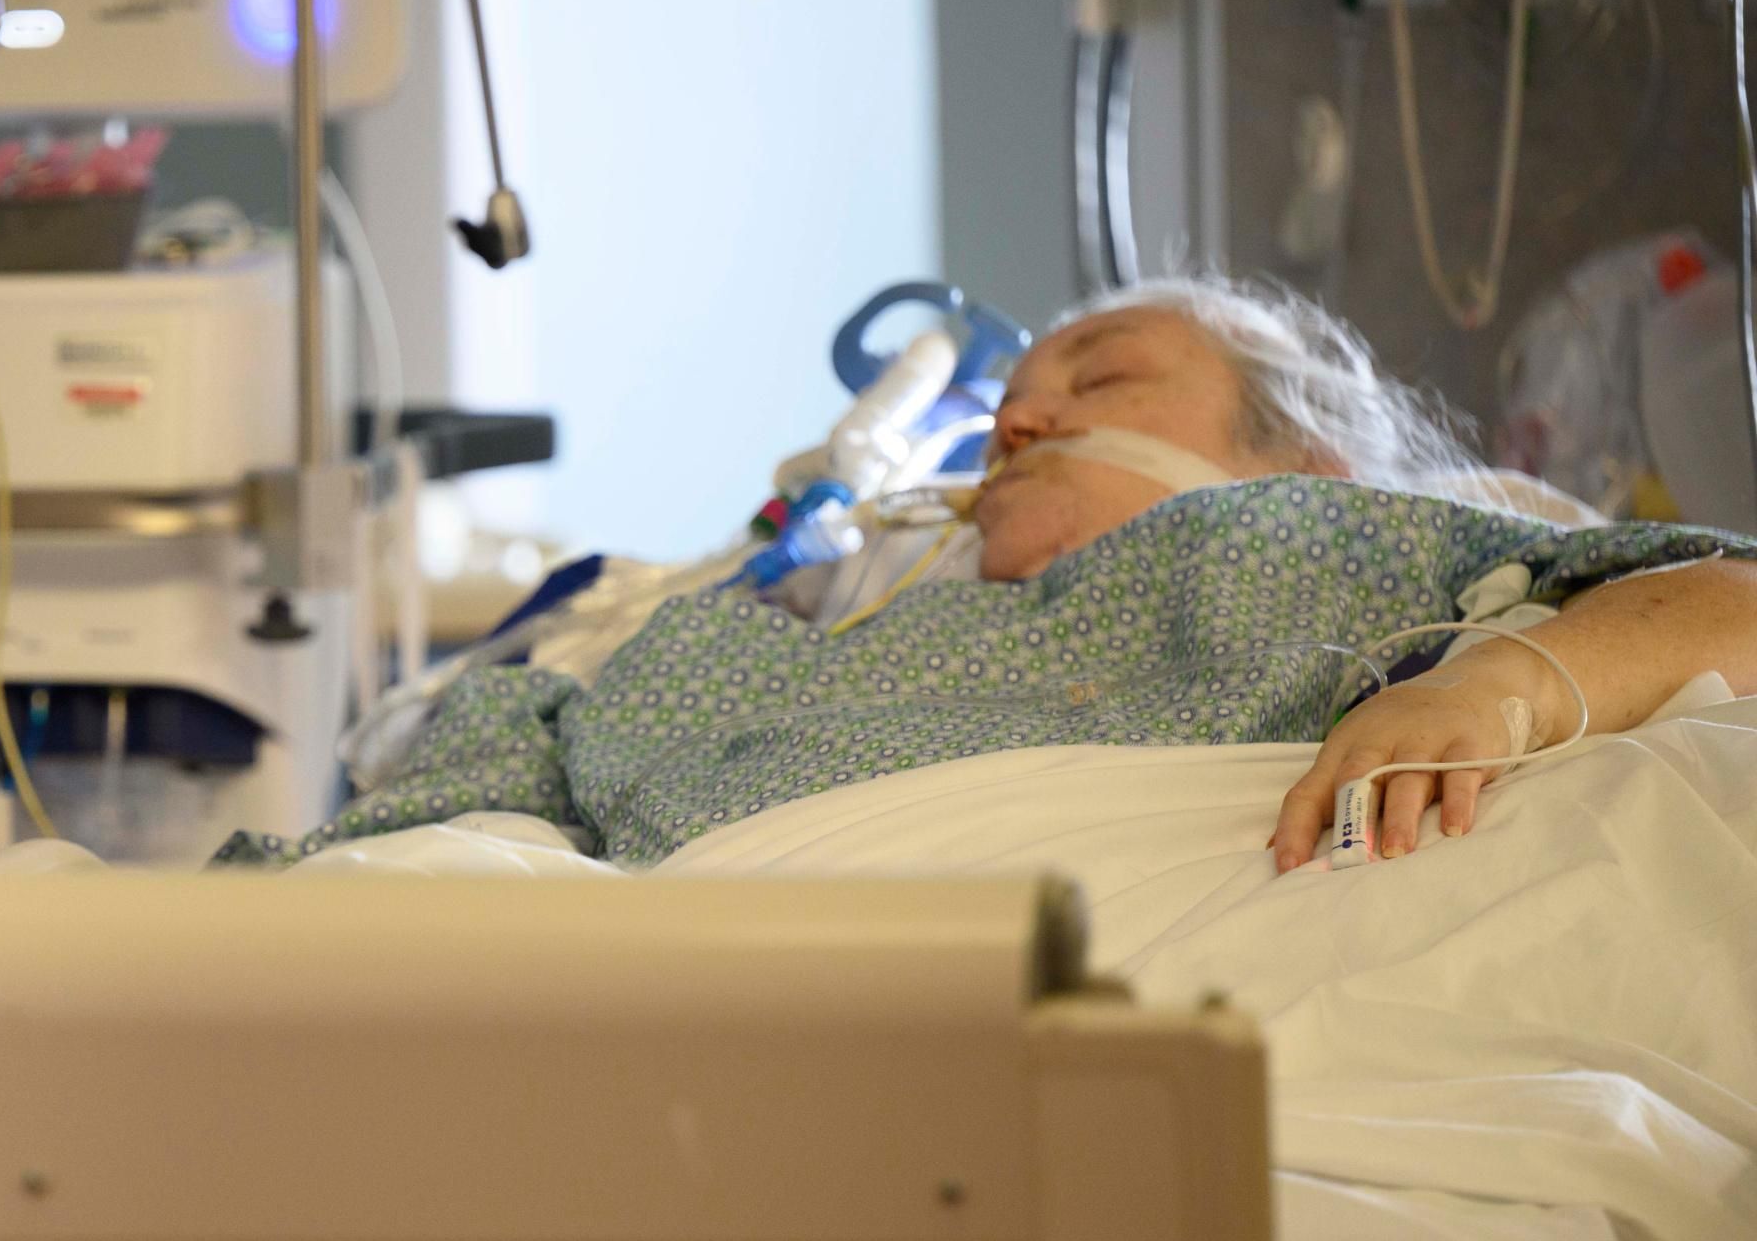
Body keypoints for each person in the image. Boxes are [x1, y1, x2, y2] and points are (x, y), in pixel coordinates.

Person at [231, 275, 1757, 870]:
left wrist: (1504, 683)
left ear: (1307, 459)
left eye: (1101, 379)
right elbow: (508, 761)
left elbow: (1732, 602)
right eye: (1017, 395)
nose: (1022, 416)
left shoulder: (1369, 549)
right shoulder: (775, 643)